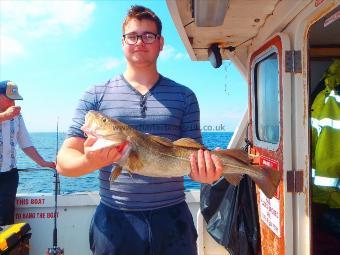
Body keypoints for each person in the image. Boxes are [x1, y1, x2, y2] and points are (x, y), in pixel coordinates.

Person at [56, 5, 222, 255]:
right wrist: (89, 161)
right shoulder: (95, 95)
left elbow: (194, 153)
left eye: (148, 35)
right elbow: (64, 162)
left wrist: (207, 174)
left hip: (173, 219)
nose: (139, 42)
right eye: (132, 36)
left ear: (161, 42)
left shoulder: (185, 96)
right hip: (114, 220)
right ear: (122, 42)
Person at [0, 80, 56, 226]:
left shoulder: (17, 116)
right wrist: (4, 116)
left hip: (9, 175)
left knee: (5, 219)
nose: (13, 103)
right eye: (10, 98)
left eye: (15, 99)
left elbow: (25, 143)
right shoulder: (8, 115)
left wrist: (43, 163)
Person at [311, 59, 340, 254]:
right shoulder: (330, 94)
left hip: (330, 202)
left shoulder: (329, 94)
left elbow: (326, 161)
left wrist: (318, 204)